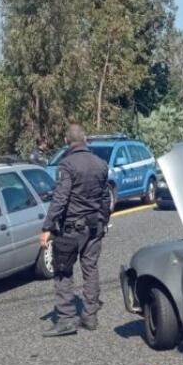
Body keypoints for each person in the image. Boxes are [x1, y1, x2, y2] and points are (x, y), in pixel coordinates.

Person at [39, 124, 112, 337]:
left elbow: (60, 198)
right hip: (95, 226)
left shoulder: (67, 164)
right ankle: (90, 315)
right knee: (90, 269)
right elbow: (105, 197)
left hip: (71, 228)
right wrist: (103, 221)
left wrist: (47, 227)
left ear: (66, 140)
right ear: (86, 139)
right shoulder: (100, 164)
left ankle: (66, 319)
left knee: (62, 271)